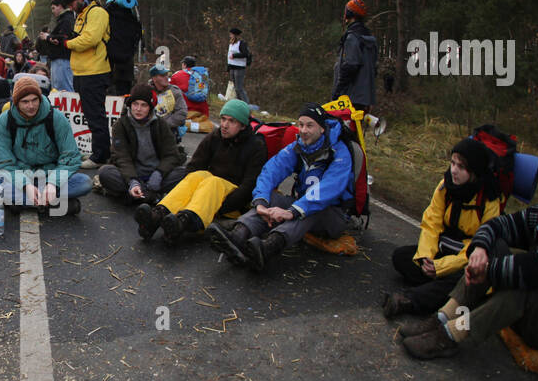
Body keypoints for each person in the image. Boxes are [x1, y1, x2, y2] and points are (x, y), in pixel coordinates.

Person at [401, 156, 538, 359]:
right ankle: (443, 317)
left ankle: (449, 336)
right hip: (528, 308)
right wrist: (480, 249)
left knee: (524, 288)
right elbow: (498, 225)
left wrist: (488, 270)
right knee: (495, 246)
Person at [210, 103, 352, 272]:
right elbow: (271, 171)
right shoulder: (298, 147)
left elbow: (328, 190)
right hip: (302, 204)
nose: (304, 130)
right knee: (272, 199)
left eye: (310, 125)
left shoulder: (340, 153)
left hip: (333, 215)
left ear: (322, 128)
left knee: (309, 211)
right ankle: (238, 235)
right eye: (300, 124)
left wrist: (292, 211)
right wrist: (261, 203)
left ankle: (269, 247)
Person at [381, 139, 503, 318]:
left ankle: (409, 300)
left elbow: (479, 248)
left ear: (474, 171)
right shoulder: (445, 186)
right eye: (452, 163)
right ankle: (437, 292)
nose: (454, 170)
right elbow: (431, 223)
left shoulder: (489, 199)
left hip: (464, 260)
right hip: (443, 250)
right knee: (401, 257)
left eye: (461, 167)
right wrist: (425, 257)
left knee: (462, 280)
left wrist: (440, 267)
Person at [148, 99, 267, 246]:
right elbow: (194, 166)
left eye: (232, 121)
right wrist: (194, 195)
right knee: (198, 175)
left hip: (232, 201)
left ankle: (186, 221)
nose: (224, 125)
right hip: (206, 195)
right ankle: (160, 213)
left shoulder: (256, 147)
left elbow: (249, 186)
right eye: (223, 119)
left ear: (242, 125)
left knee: (213, 181)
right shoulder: (215, 136)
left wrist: (218, 206)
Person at [0, 75, 88, 215]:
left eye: (35, 100)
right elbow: (3, 162)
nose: (31, 106)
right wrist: (25, 185)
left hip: (51, 174)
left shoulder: (56, 117)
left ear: (40, 98)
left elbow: (70, 157)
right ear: (16, 103)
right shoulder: (5, 121)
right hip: (20, 175)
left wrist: (54, 183)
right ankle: (51, 204)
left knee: (84, 183)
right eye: (25, 102)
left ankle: (21, 203)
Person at [40, 0, 110, 169]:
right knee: (90, 113)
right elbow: (77, 38)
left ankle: (101, 156)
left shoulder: (97, 13)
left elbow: (90, 39)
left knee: (96, 115)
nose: (70, 8)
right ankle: (99, 151)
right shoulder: (81, 15)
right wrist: (65, 39)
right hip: (81, 71)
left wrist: (66, 44)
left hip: (95, 71)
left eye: (71, 4)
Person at [98, 85, 187, 205]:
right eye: (135, 104)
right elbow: (121, 157)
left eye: (143, 105)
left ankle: (135, 196)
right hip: (131, 174)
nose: (138, 109)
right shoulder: (120, 125)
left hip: (156, 175)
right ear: (130, 105)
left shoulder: (161, 125)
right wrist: (133, 181)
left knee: (185, 173)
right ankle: (149, 195)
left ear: (150, 108)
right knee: (105, 172)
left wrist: (159, 174)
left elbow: (171, 155)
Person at [330, 0, 377, 113]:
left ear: (349, 14)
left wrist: (337, 92)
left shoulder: (352, 38)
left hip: (349, 97)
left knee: (345, 129)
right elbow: (374, 69)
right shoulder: (370, 39)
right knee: (357, 130)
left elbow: (350, 65)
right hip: (364, 98)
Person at [44, 0, 76, 92]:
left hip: (62, 59)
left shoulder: (66, 20)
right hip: (59, 59)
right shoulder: (64, 19)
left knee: (63, 89)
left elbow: (64, 38)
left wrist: (48, 37)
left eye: (54, 8)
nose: (53, 11)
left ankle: (66, 107)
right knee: (58, 89)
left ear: (60, 6)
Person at [149, 65, 188, 139]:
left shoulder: (175, 92)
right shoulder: (146, 91)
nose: (166, 77)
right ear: (154, 79)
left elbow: (182, 113)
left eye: (166, 75)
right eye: (162, 75)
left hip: (169, 130)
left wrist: (164, 125)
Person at [226, 27, 252, 106]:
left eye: (231, 34)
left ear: (235, 35)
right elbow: (228, 56)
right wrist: (228, 68)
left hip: (239, 67)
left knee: (239, 88)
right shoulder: (231, 43)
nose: (230, 36)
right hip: (232, 67)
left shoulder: (242, 43)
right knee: (235, 88)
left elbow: (245, 54)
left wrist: (235, 55)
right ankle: (239, 103)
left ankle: (246, 103)